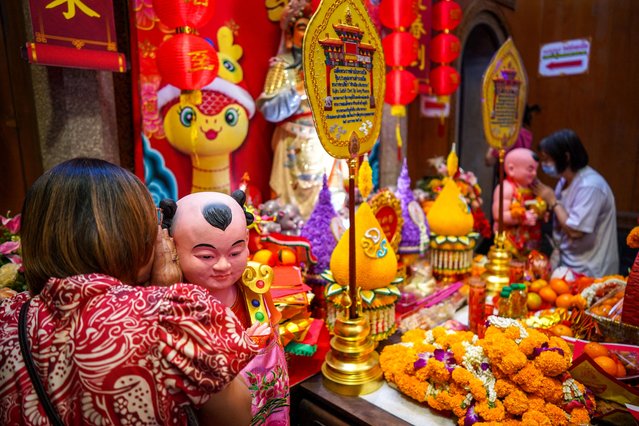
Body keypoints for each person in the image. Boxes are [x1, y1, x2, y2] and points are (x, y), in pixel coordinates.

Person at [0, 158, 259, 425]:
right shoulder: (170, 317)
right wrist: (166, 299)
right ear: (133, 235)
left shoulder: (7, 317)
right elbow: (236, 415)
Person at [161, 190, 290, 425]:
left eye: (235, 252)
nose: (223, 265)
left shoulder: (254, 286)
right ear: (173, 248)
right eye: (206, 256)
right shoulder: (176, 307)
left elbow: (275, 334)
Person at [256, 0, 340, 219]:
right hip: (291, 146)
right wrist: (298, 91)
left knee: (325, 205)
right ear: (290, 35)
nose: (308, 32)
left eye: (313, 26)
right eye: (303, 27)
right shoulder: (282, 65)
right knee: (287, 209)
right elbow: (269, 109)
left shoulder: (330, 67)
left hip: (322, 145)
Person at [532, 129, 619, 277]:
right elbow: (563, 215)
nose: (544, 165)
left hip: (590, 269)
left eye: (547, 160)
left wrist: (552, 201)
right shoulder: (564, 180)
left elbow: (575, 231)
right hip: (567, 261)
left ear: (566, 157)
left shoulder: (590, 185)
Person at [492, 148, 546, 259]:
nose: (534, 173)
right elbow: (498, 215)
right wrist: (522, 218)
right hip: (510, 243)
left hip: (530, 242)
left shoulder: (533, 188)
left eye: (536, 170)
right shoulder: (506, 188)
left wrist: (541, 213)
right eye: (530, 169)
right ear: (511, 169)